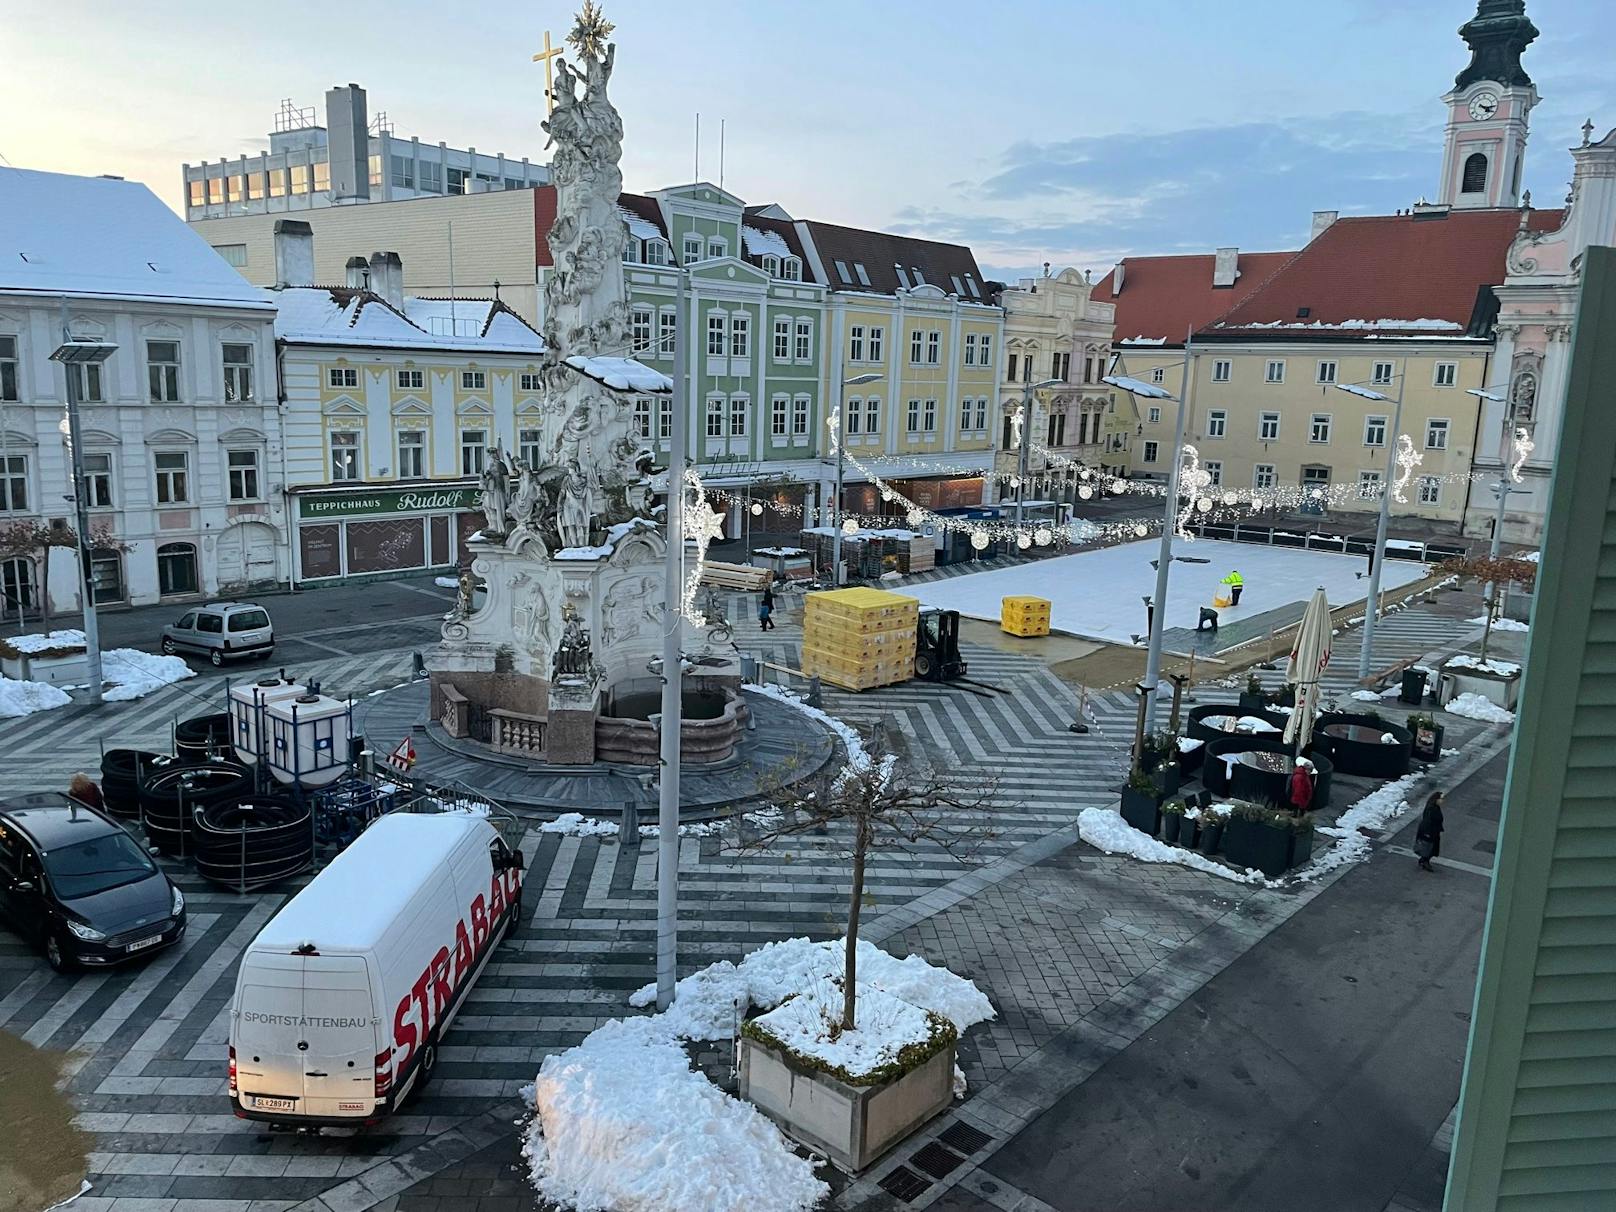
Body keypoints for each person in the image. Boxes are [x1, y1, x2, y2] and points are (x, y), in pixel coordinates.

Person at [1415, 790, 1445, 871]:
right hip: (1429, 831)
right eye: (1441, 799)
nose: (1442, 801)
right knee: (1428, 848)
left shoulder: (1434, 807)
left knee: (1430, 847)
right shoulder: (1431, 809)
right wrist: (1427, 833)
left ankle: (1424, 860)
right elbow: (1427, 821)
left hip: (1433, 831)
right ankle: (1425, 862)